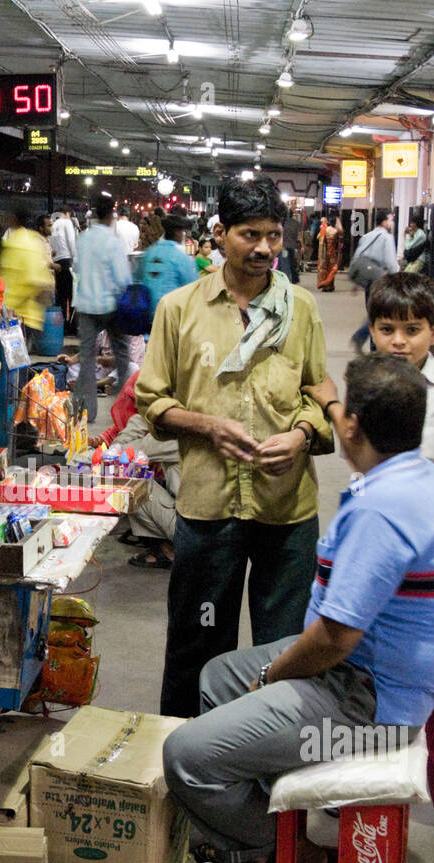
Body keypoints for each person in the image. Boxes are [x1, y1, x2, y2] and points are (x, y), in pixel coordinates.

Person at [163, 355, 434, 863]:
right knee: (216, 676)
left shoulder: (383, 509)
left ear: (351, 426)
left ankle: (292, 860)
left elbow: (333, 639)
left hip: (369, 702)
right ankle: (260, 837)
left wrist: (272, 678)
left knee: (186, 757)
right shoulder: (414, 474)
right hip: (363, 676)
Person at [318, 272, 434, 855]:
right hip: (369, 560)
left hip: (431, 574)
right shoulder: (366, 391)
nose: (398, 341)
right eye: (385, 328)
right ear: (370, 330)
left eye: (412, 329)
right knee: (354, 671)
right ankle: (350, 780)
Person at [136, 176, 332, 720]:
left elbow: (320, 396)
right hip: (207, 507)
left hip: (286, 508)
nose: (265, 248)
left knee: (285, 646)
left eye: (274, 235)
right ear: (220, 234)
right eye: (251, 234)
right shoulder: (179, 310)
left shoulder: (302, 307)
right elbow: (152, 403)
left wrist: (300, 434)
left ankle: (270, 769)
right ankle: (181, 759)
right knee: (196, 644)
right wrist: (207, 426)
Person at [100, 372, 180, 569]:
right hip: (206, 521)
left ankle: (175, 549)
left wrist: (144, 415)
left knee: (128, 482)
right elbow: (121, 439)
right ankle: (174, 545)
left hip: (195, 527)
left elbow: (123, 454)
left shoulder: (176, 433)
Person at [72, 196, 133, 421]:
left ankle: (87, 411)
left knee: (87, 358)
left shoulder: (84, 238)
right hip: (111, 305)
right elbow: (122, 277)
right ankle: (125, 405)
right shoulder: (112, 241)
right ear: (111, 216)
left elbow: (77, 267)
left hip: (86, 305)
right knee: (123, 354)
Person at [0, 207, 54, 342]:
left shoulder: (18, 243)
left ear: (14, 218)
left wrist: (13, 305)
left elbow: (34, 281)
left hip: (19, 316)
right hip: (25, 314)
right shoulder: (32, 240)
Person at [348, 211, 396, 354]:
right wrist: (396, 278)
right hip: (380, 279)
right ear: (384, 222)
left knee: (373, 310)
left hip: (367, 279)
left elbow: (358, 257)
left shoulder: (367, 236)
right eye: (390, 220)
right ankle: (365, 339)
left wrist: (357, 283)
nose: (391, 223)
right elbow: (390, 262)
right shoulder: (387, 238)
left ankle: (372, 344)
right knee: (379, 313)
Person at [139, 215, 198, 315]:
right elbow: (193, 286)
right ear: (177, 233)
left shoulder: (150, 252)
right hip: (170, 315)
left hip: (147, 312)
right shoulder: (181, 257)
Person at [50, 206, 78, 326]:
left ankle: (61, 325)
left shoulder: (53, 224)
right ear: (67, 213)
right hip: (67, 261)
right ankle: (71, 324)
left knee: (61, 296)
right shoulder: (67, 222)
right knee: (72, 296)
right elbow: (71, 241)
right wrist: (76, 258)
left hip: (56, 263)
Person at [316, 213, 342, 292]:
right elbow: (340, 234)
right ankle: (330, 285)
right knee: (331, 269)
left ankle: (324, 285)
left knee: (324, 268)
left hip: (323, 253)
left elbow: (319, 238)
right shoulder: (335, 231)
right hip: (332, 253)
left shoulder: (324, 230)